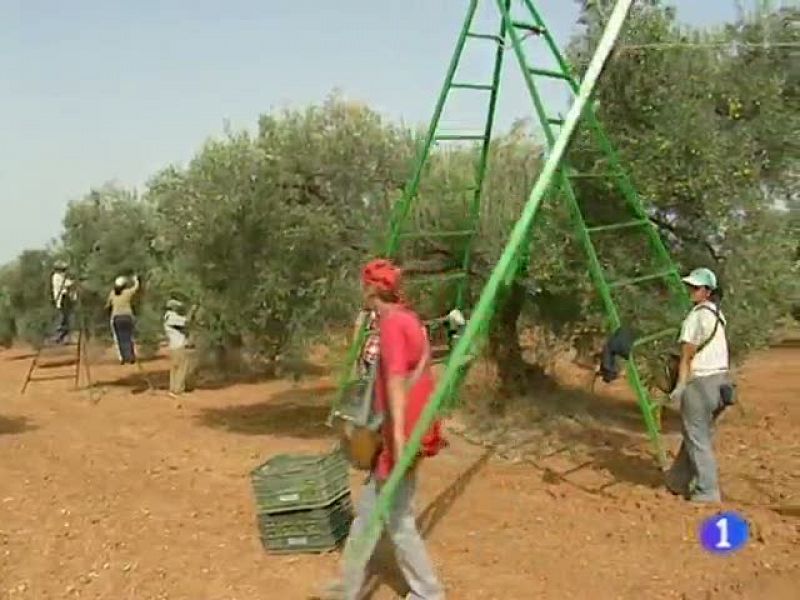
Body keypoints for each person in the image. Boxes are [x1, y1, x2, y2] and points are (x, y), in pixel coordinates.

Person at [319, 258, 446, 600]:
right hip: (414, 424)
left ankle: (429, 593)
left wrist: (398, 444)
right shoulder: (410, 319)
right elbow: (423, 366)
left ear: (370, 289)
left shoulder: (391, 325)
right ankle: (346, 587)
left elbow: (395, 385)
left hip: (400, 431)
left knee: (399, 519)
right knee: (369, 513)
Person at [665, 267, 732, 503]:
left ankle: (707, 490)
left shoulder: (696, 317)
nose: (691, 291)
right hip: (721, 383)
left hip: (700, 383)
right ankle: (677, 479)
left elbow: (687, 356)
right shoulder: (717, 314)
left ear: (707, 291)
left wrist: (680, 387)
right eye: (691, 286)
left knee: (697, 438)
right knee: (696, 434)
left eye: (696, 287)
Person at [163, 299, 195, 396]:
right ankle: (178, 390)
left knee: (175, 368)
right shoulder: (172, 316)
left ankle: (173, 389)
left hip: (173, 346)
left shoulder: (167, 316)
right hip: (178, 345)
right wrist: (192, 310)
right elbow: (186, 321)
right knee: (181, 368)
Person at [106, 274, 140, 364]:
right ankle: (131, 356)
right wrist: (136, 280)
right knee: (129, 337)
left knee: (118, 339)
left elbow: (108, 305)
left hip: (116, 318)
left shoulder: (112, 293)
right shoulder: (128, 293)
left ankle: (122, 358)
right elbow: (136, 288)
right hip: (127, 317)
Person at [51, 261, 75, 344]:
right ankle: (58, 336)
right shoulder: (57, 277)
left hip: (65, 298)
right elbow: (66, 284)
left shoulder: (62, 276)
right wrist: (72, 282)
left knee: (67, 318)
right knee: (63, 318)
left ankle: (63, 337)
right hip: (61, 299)